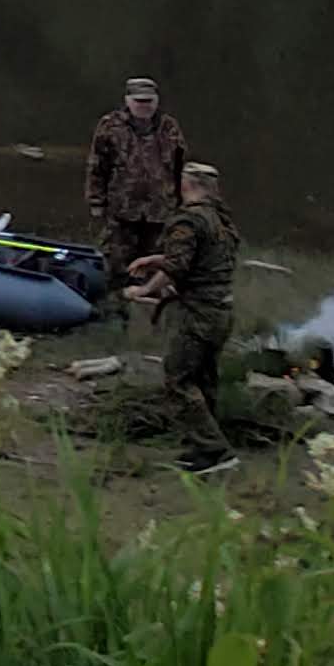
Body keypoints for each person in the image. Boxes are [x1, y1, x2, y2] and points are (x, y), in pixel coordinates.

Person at [122, 160, 241, 475]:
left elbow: (178, 267)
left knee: (177, 379)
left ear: (187, 185)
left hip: (198, 313)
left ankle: (217, 451)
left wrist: (144, 290)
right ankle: (203, 450)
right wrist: (155, 258)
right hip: (222, 311)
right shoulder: (222, 222)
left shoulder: (187, 220)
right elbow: (200, 257)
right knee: (204, 380)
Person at [85, 76, 188, 269]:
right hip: (121, 208)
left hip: (161, 209)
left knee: (158, 260)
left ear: (157, 101)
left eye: (148, 101)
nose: (144, 106)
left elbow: (180, 166)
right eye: (138, 101)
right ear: (127, 101)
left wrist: (186, 202)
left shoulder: (169, 127)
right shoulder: (110, 125)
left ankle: (148, 294)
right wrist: (96, 201)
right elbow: (97, 165)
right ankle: (117, 295)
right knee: (116, 260)